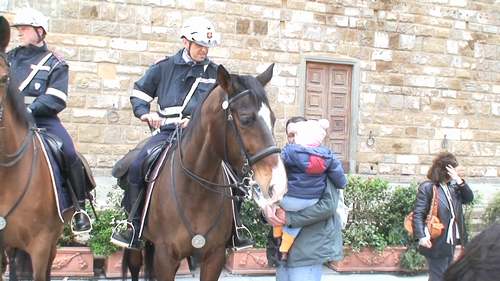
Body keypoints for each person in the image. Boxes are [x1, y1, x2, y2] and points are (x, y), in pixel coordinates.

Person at [110, 16, 252, 250]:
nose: (204, 51)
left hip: (202, 137)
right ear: (185, 42)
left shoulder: (217, 73)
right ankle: (133, 225)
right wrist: (145, 113)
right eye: (199, 46)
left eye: (207, 47)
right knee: (137, 164)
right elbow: (140, 93)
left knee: (235, 170)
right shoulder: (163, 67)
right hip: (167, 132)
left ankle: (236, 228)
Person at [7, 7, 91, 234]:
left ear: (40, 31)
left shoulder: (56, 63)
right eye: (18, 29)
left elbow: (57, 98)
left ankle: (79, 211)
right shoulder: (9, 58)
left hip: (42, 122)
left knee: (69, 152)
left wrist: (29, 110)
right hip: (8, 122)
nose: (19, 33)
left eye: (24, 28)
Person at [265, 116, 347, 281]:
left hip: (308, 251)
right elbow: (268, 194)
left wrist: (289, 218)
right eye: (290, 134)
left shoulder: (321, 163)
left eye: (297, 133)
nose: (293, 138)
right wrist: (266, 210)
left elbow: (328, 206)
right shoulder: (284, 161)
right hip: (281, 252)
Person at [412, 152, 474, 281]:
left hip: (449, 240)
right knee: (438, 276)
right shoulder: (428, 187)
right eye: (453, 169)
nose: (455, 172)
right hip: (436, 240)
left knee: (443, 275)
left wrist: (459, 180)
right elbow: (418, 213)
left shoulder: (453, 187)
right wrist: (421, 237)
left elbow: (468, 198)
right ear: (446, 170)